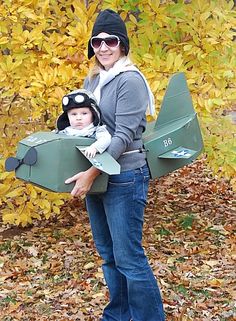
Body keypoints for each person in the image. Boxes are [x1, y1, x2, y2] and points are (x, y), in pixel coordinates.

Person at [65, 9, 165, 321]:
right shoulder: (92, 80)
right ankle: (118, 316)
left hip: (124, 176)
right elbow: (84, 126)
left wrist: (92, 172)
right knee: (109, 256)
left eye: (111, 40)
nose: (104, 47)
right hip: (98, 176)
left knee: (128, 258)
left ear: (122, 44)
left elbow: (121, 136)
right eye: (97, 41)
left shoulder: (130, 80)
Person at [56, 89, 111, 158]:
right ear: (67, 117)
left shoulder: (96, 131)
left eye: (84, 113)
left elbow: (106, 139)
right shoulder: (63, 132)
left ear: (93, 114)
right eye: (74, 114)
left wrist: (94, 148)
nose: (78, 118)